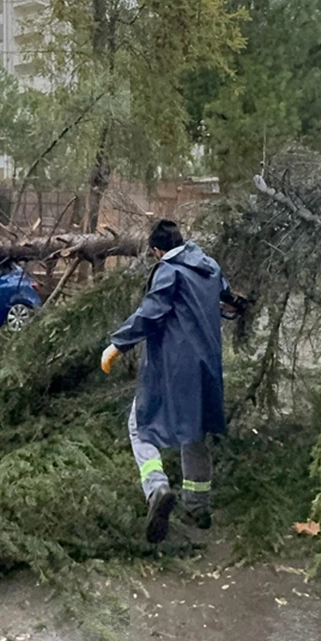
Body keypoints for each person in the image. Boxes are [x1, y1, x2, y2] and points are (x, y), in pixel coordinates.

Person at [100, 219, 235, 543]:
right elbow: (227, 294)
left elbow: (150, 313)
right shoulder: (210, 266)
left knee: (139, 423)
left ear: (157, 250)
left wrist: (117, 344)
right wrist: (240, 304)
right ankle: (197, 505)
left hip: (173, 367)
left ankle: (157, 488)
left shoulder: (168, 270)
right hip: (207, 368)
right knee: (195, 429)